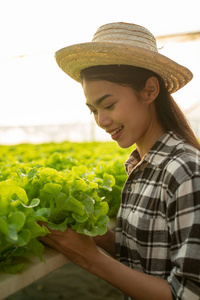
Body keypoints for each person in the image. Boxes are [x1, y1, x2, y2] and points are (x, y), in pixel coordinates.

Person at [40, 22, 200, 300]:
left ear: (150, 91)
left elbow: (187, 295)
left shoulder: (185, 170)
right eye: (93, 110)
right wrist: (99, 236)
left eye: (109, 105)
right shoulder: (140, 165)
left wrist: (91, 259)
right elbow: (148, 258)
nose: (102, 121)